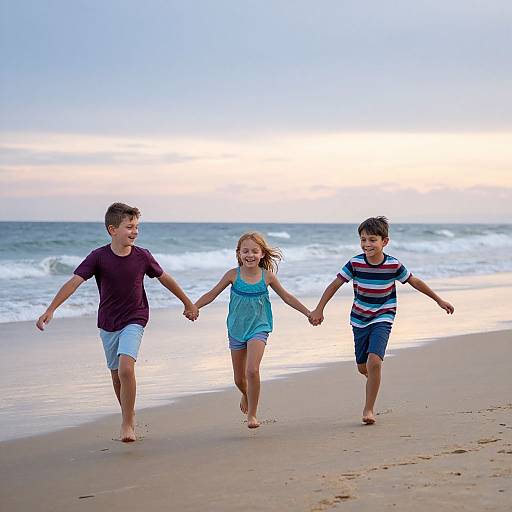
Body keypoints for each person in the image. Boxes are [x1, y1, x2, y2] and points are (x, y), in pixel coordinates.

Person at [36, 202, 198, 442]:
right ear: (113, 229)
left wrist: (188, 303)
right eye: (129, 227)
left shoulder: (142, 256)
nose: (134, 231)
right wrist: (51, 309)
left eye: (136, 227)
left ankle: (127, 423)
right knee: (115, 375)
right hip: (108, 322)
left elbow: (165, 279)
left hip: (136, 317)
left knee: (126, 368)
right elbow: (74, 282)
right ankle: (127, 411)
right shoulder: (98, 257)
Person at [309, 216, 454, 425]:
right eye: (363, 239)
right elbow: (335, 285)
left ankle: (368, 409)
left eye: (372, 240)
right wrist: (319, 308)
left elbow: (415, 281)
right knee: (362, 367)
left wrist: (439, 300)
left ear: (384, 241)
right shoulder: (355, 263)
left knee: (374, 362)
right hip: (359, 318)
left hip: (383, 316)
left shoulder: (393, 265)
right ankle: (373, 380)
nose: (367, 244)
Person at [194, 232, 310, 428]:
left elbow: (287, 297)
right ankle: (246, 394)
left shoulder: (267, 277)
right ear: (238, 254)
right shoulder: (233, 275)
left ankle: (252, 415)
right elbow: (212, 293)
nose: (250, 255)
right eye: (245, 251)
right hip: (236, 328)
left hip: (259, 327)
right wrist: (194, 307)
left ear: (262, 254)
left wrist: (309, 312)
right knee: (239, 379)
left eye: (255, 251)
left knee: (252, 370)